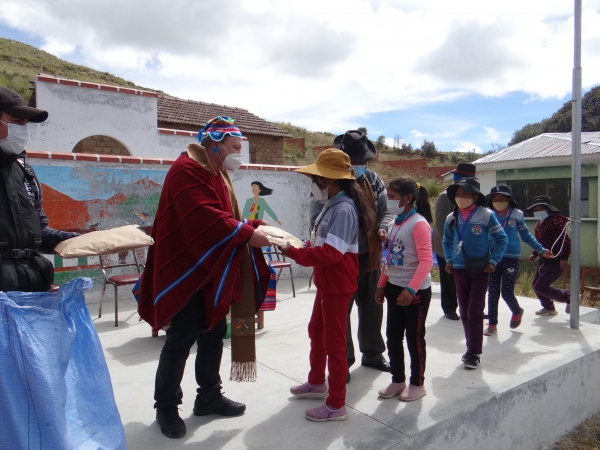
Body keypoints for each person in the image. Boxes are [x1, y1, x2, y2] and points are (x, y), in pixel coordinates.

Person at [137, 116, 273, 439]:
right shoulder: (186, 169)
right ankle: (166, 407)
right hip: (187, 271)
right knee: (181, 340)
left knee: (213, 333)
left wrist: (249, 228)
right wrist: (246, 234)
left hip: (213, 269)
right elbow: (204, 218)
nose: (240, 155)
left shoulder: (218, 172)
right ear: (215, 143)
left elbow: (226, 217)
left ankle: (208, 395)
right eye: (235, 148)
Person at [279, 148, 372, 422]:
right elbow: (326, 245)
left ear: (328, 181)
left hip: (337, 285)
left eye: (316, 179)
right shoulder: (333, 205)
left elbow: (331, 254)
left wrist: (294, 253)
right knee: (316, 331)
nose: (314, 185)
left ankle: (336, 405)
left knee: (334, 344)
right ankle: (317, 382)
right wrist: (304, 247)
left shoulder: (343, 209)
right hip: (327, 282)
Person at [309, 130, 392, 382]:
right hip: (340, 260)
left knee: (372, 307)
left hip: (369, 256)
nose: (358, 167)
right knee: (339, 313)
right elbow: (315, 220)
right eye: (353, 162)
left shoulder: (374, 181)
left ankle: (373, 353)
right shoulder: (327, 182)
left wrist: (383, 228)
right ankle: (341, 363)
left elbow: (386, 212)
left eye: (361, 162)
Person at [0, 86, 78, 292]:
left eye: (25, 124)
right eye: (16, 122)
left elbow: (38, 234)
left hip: (33, 292)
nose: (23, 130)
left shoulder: (25, 172)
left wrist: (78, 240)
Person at [376, 177, 433, 402]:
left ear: (407, 198)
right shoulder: (393, 224)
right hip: (393, 287)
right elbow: (388, 258)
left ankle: (417, 383)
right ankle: (398, 380)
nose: (388, 200)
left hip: (414, 291)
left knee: (415, 338)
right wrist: (382, 283)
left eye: (391, 197)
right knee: (392, 336)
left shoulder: (418, 224)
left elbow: (427, 260)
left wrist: (411, 289)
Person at [442, 177, 508, 370]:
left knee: (475, 311)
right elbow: (447, 241)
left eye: (465, 193)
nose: (460, 197)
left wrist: (493, 261)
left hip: (481, 270)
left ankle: (475, 353)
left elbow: (501, 240)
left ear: (475, 196)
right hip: (459, 270)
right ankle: (470, 349)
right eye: (457, 194)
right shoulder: (451, 218)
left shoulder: (486, 215)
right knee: (463, 311)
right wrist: (449, 260)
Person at [483, 186, 553, 335]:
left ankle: (517, 311)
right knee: (493, 292)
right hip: (492, 258)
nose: (498, 201)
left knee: (507, 292)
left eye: (502, 198)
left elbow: (526, 236)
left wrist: (541, 250)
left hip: (510, 258)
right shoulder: (487, 214)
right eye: (495, 198)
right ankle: (492, 325)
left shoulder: (516, 214)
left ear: (509, 199)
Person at [432, 163, 476, 321]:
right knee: (449, 279)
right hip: (446, 245)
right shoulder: (446, 197)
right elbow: (441, 224)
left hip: (464, 245)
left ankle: (471, 308)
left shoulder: (471, 197)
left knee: (466, 277)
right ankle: (450, 308)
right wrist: (451, 247)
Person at [525, 195, 571, 315]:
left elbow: (565, 241)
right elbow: (539, 242)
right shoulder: (539, 223)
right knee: (536, 285)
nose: (537, 212)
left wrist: (564, 258)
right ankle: (548, 307)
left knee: (541, 287)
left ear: (548, 209)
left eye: (540, 209)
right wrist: (534, 253)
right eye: (535, 210)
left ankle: (570, 297)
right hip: (543, 260)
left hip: (555, 261)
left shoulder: (556, 222)